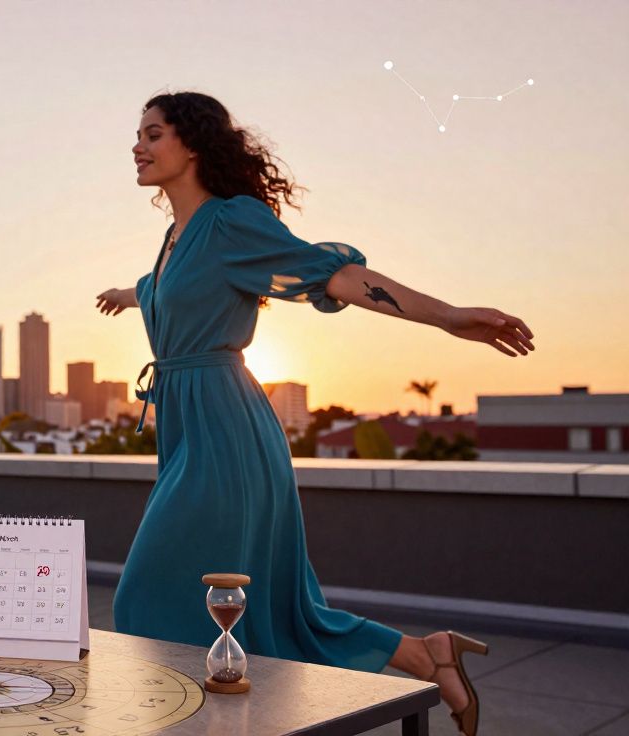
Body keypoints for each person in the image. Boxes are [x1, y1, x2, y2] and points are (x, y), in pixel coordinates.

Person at [97, 91, 534, 736]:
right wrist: (129, 296)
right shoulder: (173, 239)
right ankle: (424, 655)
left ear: (191, 145)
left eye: (153, 134)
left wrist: (447, 316)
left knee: (148, 595)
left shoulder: (230, 221)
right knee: (264, 605)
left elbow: (330, 275)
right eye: (138, 134)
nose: (137, 145)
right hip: (185, 424)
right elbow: (166, 288)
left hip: (225, 426)